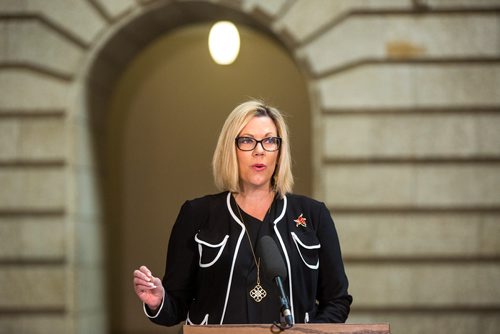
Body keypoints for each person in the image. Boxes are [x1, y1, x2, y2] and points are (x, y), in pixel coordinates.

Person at [133, 100, 352, 326]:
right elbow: (176, 306)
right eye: (247, 141)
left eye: (269, 141)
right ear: (231, 149)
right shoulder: (197, 214)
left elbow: (337, 301)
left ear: (279, 151)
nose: (259, 150)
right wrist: (158, 301)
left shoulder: (313, 214)